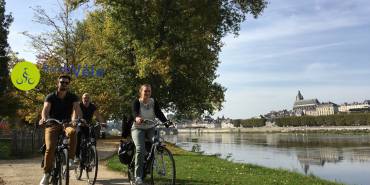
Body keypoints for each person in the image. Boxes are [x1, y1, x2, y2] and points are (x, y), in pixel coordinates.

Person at [39, 75, 84, 185]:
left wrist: (80, 119)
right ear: (57, 83)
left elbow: (77, 109)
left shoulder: (73, 97)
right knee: (50, 148)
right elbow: (45, 109)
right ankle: (47, 174)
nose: (64, 84)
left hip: (66, 124)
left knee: (73, 132)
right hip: (52, 124)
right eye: (62, 82)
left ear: (68, 85)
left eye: (66, 83)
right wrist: (44, 118)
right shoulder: (50, 96)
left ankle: (70, 159)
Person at [131, 84, 169, 185]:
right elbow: (134, 112)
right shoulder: (137, 102)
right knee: (140, 149)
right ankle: (138, 176)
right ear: (141, 92)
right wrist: (137, 118)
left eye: (149, 91)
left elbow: (159, 113)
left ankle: (150, 166)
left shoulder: (153, 102)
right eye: (145, 91)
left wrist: (166, 122)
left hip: (150, 128)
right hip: (138, 128)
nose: (147, 93)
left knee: (157, 143)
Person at [75, 93, 106, 162]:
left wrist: (103, 123)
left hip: (88, 125)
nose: (86, 99)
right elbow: (74, 115)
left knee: (93, 138)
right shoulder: (79, 105)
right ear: (82, 99)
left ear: (90, 99)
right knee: (79, 135)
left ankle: (91, 156)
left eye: (87, 98)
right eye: (84, 98)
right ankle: (76, 156)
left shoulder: (92, 106)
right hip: (80, 125)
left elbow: (98, 116)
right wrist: (75, 121)